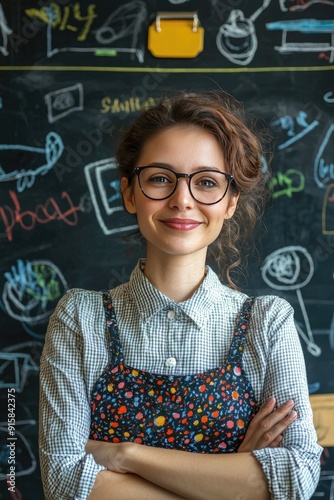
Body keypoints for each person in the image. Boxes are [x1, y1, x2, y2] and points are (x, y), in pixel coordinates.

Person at [39, 91, 322, 500]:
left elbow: (297, 477)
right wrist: (230, 481)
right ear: (129, 193)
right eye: (159, 178)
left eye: (207, 182)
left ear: (230, 201)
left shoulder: (268, 322)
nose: (182, 199)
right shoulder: (79, 318)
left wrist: (126, 454)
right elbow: (65, 484)